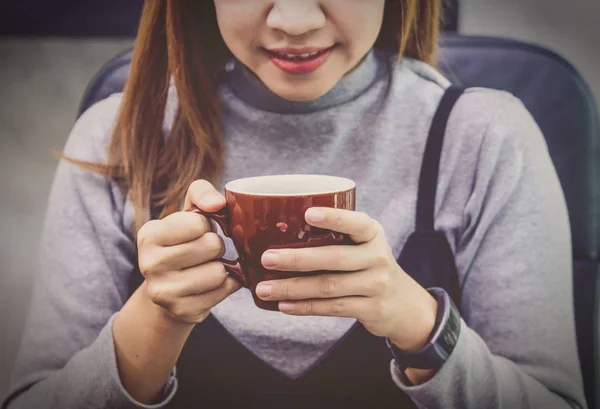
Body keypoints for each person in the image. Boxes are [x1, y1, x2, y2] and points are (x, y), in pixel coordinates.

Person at [1, 1, 588, 408]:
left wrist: (419, 325)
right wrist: (159, 318)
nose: (295, 21)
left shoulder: (485, 137)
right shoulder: (118, 138)